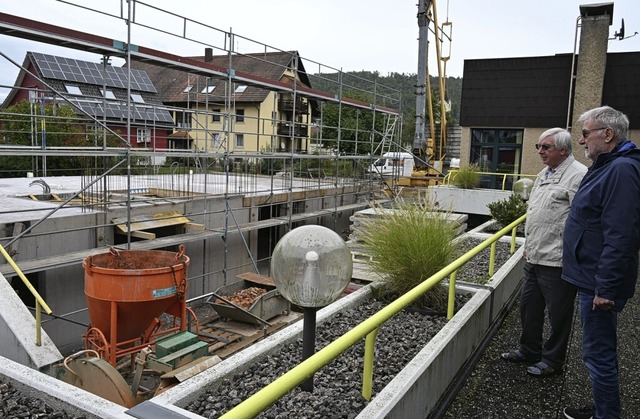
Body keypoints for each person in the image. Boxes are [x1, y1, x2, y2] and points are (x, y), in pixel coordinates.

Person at [562, 106, 640, 419]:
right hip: (591, 274)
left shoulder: (620, 170)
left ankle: (607, 415)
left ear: (607, 135)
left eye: (585, 133)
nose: (581, 141)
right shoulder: (607, 165)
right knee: (597, 351)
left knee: (598, 354)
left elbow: (621, 235)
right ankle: (604, 409)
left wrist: (605, 287)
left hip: (598, 282)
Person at [500, 128, 586, 378]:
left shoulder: (578, 176)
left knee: (559, 314)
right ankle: (529, 350)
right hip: (535, 255)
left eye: (546, 147)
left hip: (558, 260)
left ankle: (553, 360)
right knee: (529, 308)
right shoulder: (543, 174)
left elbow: (583, 221)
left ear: (563, 149)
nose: (540, 151)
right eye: (539, 146)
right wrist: (528, 246)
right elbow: (537, 215)